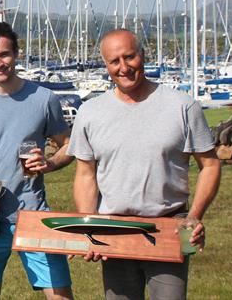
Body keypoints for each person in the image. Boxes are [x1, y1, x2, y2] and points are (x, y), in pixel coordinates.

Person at [69, 28, 221, 300]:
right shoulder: (90, 112)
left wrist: (194, 215)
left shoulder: (183, 106)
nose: (124, 67)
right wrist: (88, 225)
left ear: (142, 55)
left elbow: (209, 164)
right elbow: (85, 174)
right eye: (114, 61)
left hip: (168, 228)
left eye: (130, 57)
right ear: (106, 65)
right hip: (114, 230)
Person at [0, 21, 74, 300]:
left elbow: (70, 145)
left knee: (60, 294)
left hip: (35, 215)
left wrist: (50, 163)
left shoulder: (44, 98)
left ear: (16, 53)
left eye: (4, 54)